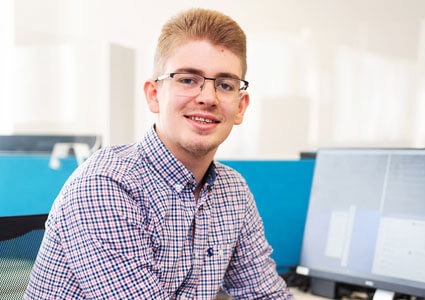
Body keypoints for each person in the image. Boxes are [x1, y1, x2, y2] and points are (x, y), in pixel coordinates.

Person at [25, 8, 294, 299]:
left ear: (240, 107)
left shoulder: (233, 193)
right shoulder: (106, 184)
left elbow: (265, 295)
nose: (207, 97)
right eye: (188, 79)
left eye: (225, 85)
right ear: (154, 95)